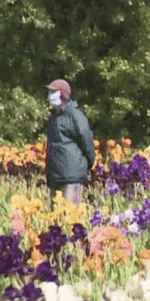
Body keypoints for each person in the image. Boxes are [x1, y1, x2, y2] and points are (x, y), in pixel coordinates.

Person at [45, 79, 96, 207]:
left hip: (72, 176)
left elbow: (87, 142)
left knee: (70, 217)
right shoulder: (54, 117)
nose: (49, 95)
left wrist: (88, 163)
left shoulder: (75, 115)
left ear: (62, 94)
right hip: (56, 176)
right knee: (56, 221)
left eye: (53, 92)